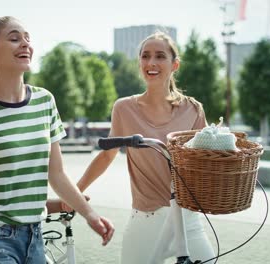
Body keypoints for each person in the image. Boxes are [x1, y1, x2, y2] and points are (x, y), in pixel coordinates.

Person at [0, 16, 114, 264]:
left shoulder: (44, 101)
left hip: (34, 234)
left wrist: (90, 215)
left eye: (27, 38)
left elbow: (56, 174)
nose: (25, 44)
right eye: (14, 39)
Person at [66, 32, 215, 264]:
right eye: (145, 56)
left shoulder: (193, 109)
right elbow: (107, 155)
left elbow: (206, 157)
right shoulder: (124, 108)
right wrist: (75, 192)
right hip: (146, 218)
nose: (151, 63)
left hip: (186, 218)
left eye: (159, 56)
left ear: (174, 64)